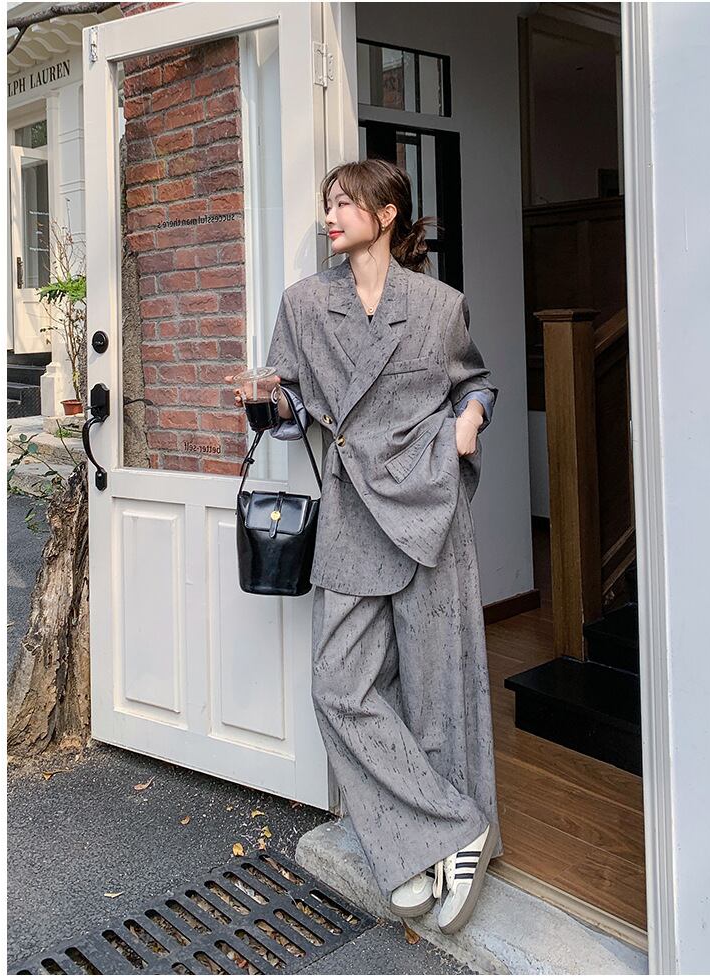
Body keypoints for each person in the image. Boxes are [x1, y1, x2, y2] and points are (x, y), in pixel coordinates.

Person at [226, 159, 503, 935]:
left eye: (346, 202)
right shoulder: (305, 304)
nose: (331, 214)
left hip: (428, 505)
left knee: (439, 688)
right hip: (353, 509)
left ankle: (442, 848)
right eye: (328, 203)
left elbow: (475, 382)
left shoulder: (438, 306)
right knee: (339, 686)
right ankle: (452, 829)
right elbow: (293, 407)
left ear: (386, 215)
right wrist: (266, 399)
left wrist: (468, 422)